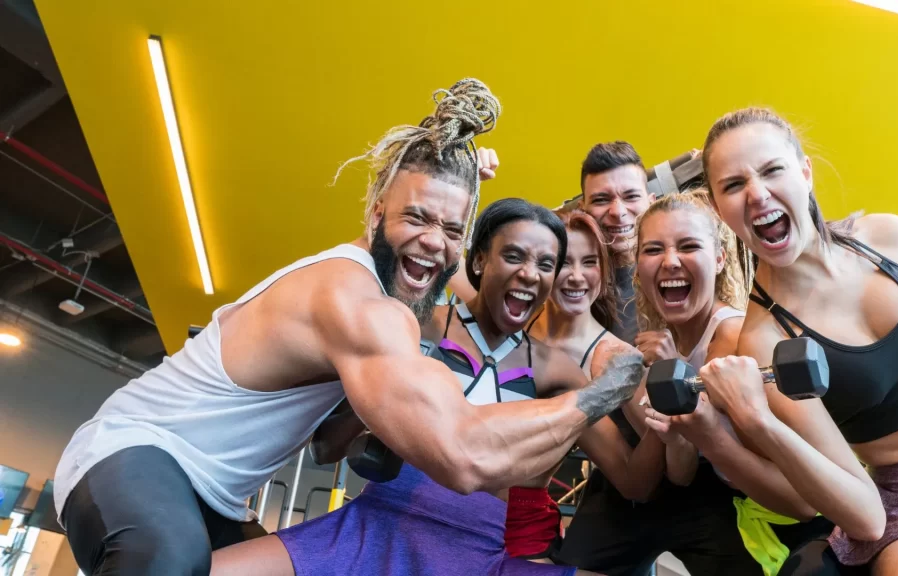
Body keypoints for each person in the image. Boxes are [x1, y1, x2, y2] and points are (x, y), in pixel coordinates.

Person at [54, 78, 645, 576]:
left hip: (212, 495)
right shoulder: (356, 300)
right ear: (374, 212)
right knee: (170, 561)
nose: (432, 241)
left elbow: (477, 277)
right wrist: (598, 394)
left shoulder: (409, 292)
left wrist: (459, 177)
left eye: (449, 229)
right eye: (415, 216)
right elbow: (464, 456)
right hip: (132, 453)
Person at [689, 106, 898, 575]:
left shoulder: (887, 235)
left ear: (804, 172)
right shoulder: (765, 340)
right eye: (733, 184)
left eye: (772, 170)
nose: (757, 194)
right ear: (719, 207)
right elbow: (866, 517)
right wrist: (756, 420)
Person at [553, 163, 765, 576]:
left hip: (726, 492)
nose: (617, 211)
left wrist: (671, 382)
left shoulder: (733, 336)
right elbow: (661, 462)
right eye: (601, 199)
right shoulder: (648, 323)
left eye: (687, 247)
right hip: (645, 477)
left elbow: (695, 465)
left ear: (719, 258)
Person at [637, 191, 842, 576]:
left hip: (810, 527)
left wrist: (708, 433)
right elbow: (680, 474)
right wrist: (677, 427)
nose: (669, 261)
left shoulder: (734, 344)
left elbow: (801, 502)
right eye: (653, 249)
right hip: (745, 510)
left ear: (719, 259)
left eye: (688, 246)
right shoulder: (670, 344)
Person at [508, 209, 666, 562]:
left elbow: (634, 480)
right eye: (563, 262)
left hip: (519, 531)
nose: (577, 277)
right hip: (444, 501)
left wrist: (667, 411)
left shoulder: (612, 360)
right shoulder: (510, 316)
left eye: (590, 262)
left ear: (604, 272)